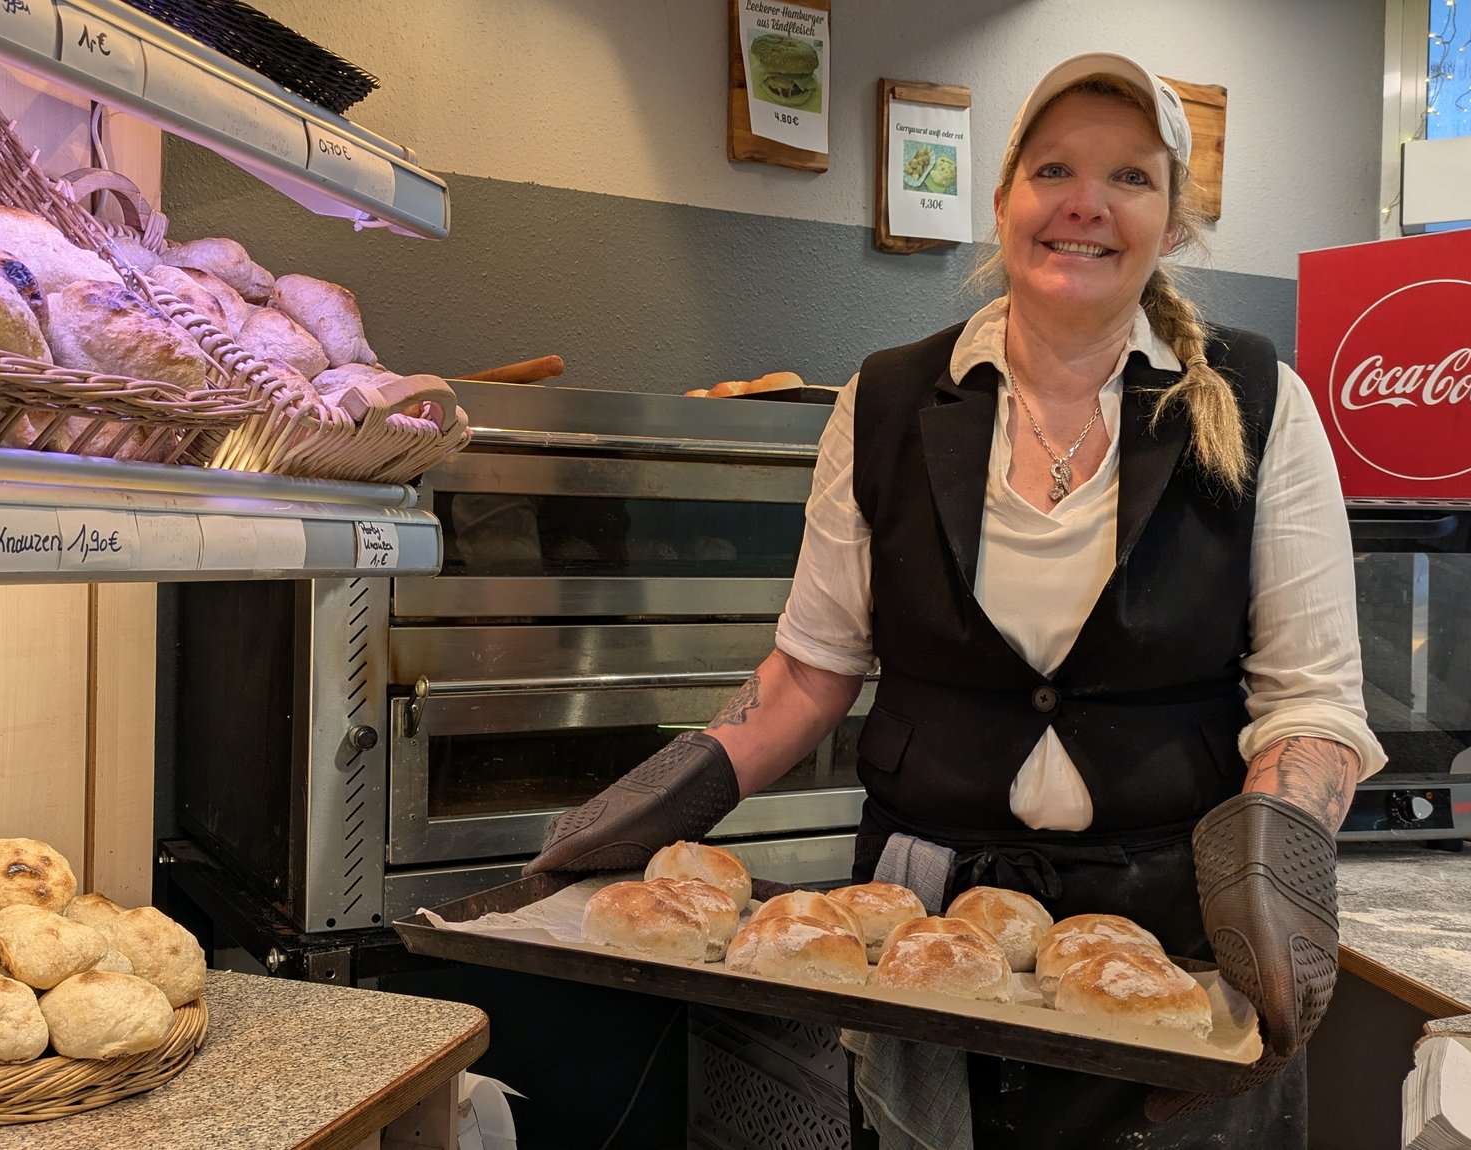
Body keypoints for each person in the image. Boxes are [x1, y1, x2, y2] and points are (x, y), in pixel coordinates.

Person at [524, 51, 1385, 1149]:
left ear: (1170, 222)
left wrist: (1279, 879)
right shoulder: (885, 400)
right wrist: (659, 799)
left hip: (1175, 934)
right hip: (921, 936)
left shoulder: (1257, 402)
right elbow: (809, 670)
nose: (1084, 202)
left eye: (1128, 177)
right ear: (1002, 199)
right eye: (1053, 168)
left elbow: (1309, 700)